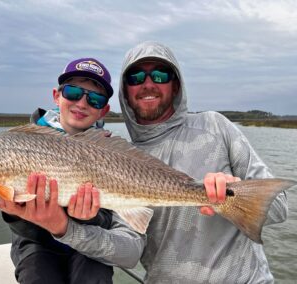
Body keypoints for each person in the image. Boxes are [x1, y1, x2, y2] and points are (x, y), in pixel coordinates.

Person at [116, 41, 288, 283]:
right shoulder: (118, 159)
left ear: (175, 86)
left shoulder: (215, 126)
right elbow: (128, 251)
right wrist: (67, 229)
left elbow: (279, 207)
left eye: (159, 74)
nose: (148, 84)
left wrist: (232, 195)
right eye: (135, 77)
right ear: (124, 91)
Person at [0, 58, 145, 284]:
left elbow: (108, 219)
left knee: (94, 277)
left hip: (88, 241)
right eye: (72, 92)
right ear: (56, 95)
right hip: (36, 243)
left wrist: (90, 218)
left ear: (104, 111)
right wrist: (15, 211)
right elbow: (24, 231)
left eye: (95, 99)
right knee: (36, 276)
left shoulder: (111, 152)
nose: (82, 103)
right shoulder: (20, 142)